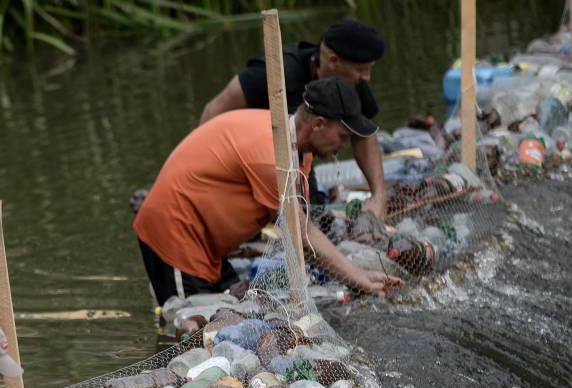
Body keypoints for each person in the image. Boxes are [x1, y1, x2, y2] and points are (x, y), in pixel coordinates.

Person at [133, 77, 402, 306]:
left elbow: (302, 223)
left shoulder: (297, 149)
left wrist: (357, 275)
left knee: (229, 311)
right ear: (318, 124)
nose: (344, 145)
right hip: (176, 233)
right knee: (192, 325)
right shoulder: (273, 154)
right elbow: (300, 234)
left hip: (209, 244)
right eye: (342, 136)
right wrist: (358, 277)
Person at [199, 19, 388, 218]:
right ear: (333, 61)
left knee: (315, 215)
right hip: (253, 162)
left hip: (298, 161)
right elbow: (212, 112)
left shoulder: (351, 82)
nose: (367, 77)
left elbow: (363, 133)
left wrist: (378, 195)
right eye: (361, 69)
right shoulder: (273, 72)